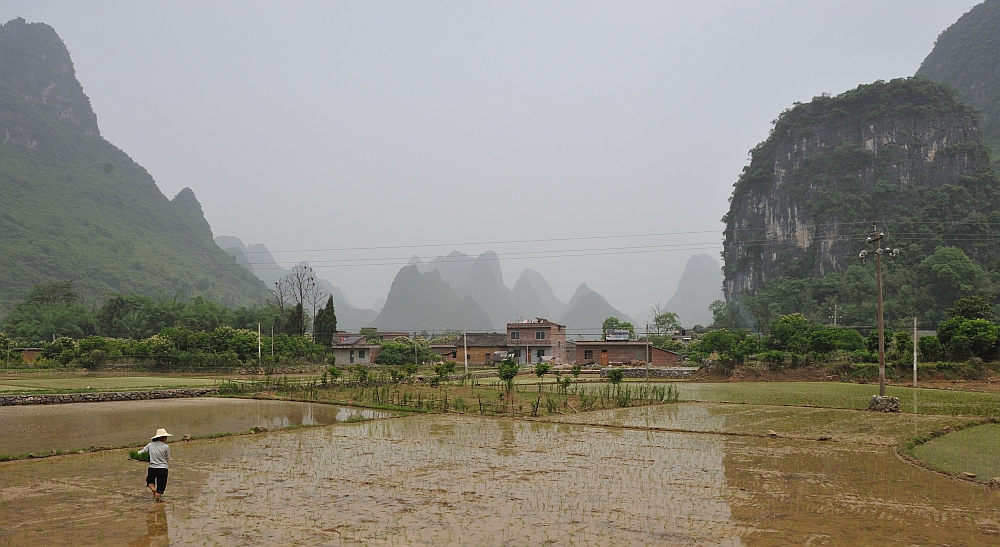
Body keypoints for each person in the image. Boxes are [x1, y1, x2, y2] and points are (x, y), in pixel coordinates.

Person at [138, 428, 173, 502]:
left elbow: (140, 453)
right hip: (163, 469)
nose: (166, 438)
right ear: (162, 437)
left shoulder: (150, 445)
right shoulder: (166, 447)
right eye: (165, 437)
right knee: (161, 486)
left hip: (152, 468)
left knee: (150, 481)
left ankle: (153, 490)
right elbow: (167, 458)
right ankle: (158, 497)